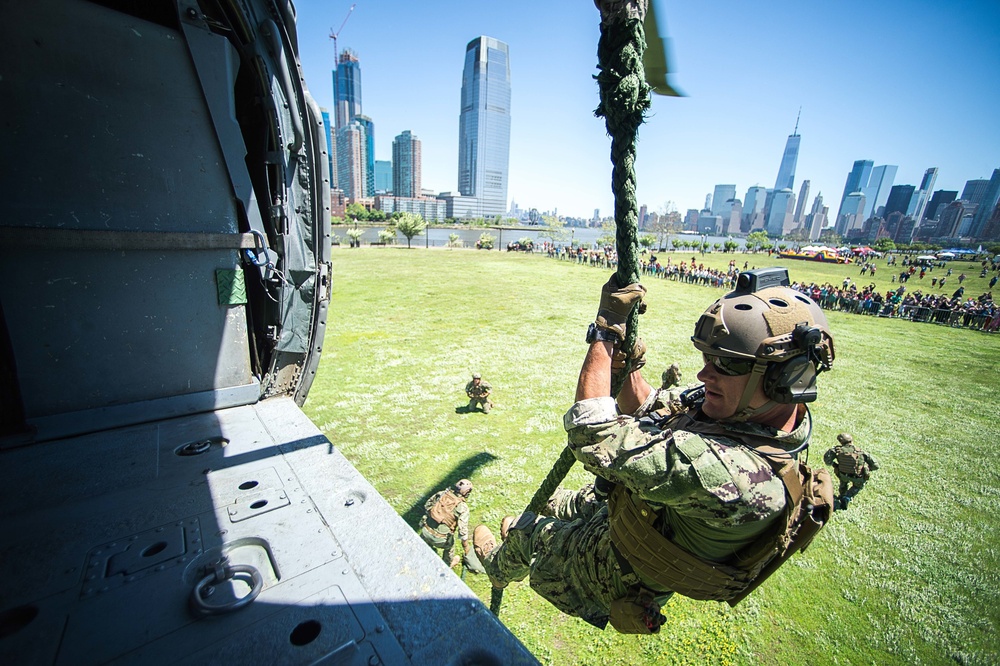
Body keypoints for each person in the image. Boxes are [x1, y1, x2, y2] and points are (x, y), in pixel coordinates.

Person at [474, 268, 835, 633]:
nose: (704, 375)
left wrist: (605, 331)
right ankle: (522, 533)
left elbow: (593, 434)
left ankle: (498, 567)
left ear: (784, 378)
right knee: (559, 502)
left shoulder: (740, 476)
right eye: (708, 358)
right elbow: (653, 407)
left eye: (726, 364)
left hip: (616, 568)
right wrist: (628, 368)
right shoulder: (757, 416)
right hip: (635, 513)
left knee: (526, 534)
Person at [419, 479, 482, 571]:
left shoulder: (442, 494)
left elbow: (427, 505)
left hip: (425, 532)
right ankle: (447, 565)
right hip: (441, 540)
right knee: (450, 547)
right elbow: (462, 531)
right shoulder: (463, 508)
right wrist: (466, 547)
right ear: (467, 492)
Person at [823, 433, 879, 510]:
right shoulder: (861, 452)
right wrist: (866, 468)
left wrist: (835, 465)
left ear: (840, 442)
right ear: (851, 440)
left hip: (843, 474)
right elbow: (876, 465)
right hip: (858, 477)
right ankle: (847, 497)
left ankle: (842, 495)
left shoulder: (837, 451)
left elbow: (827, 461)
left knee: (843, 483)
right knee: (857, 486)